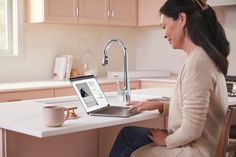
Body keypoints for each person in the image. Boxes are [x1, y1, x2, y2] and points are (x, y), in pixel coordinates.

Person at [108, 0, 230, 157]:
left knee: (133, 149)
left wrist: (166, 140)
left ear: (181, 19)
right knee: (128, 134)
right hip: (196, 142)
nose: (164, 34)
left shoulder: (197, 63)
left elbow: (192, 130)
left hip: (193, 150)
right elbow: (194, 108)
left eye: (164, 26)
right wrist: (160, 105)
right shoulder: (203, 56)